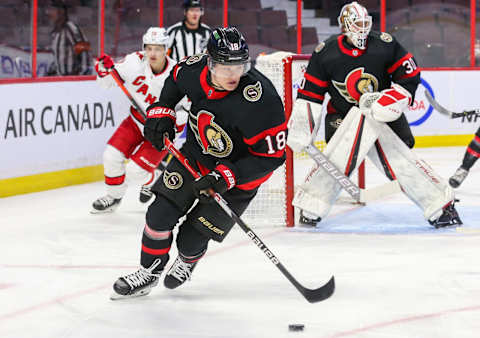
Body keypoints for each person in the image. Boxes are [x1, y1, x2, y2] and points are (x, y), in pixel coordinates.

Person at [110, 27, 287, 299]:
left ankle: (188, 260)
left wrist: (227, 176)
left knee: (191, 239)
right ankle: (148, 272)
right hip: (194, 157)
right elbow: (174, 82)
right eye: (225, 67)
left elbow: (273, 157)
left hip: (236, 180)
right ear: (210, 62)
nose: (233, 74)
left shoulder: (262, 100)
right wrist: (163, 111)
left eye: (240, 66)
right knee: (159, 215)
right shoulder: (193, 70)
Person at [286, 1, 462, 228]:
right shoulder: (325, 53)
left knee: (400, 156)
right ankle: (440, 206)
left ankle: (311, 203)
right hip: (342, 118)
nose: (362, 28)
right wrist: (302, 126)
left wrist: (394, 98)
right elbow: (310, 94)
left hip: (383, 114)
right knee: (341, 159)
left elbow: (408, 74)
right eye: (357, 23)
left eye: (365, 23)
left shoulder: (384, 44)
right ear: (345, 26)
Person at [91, 27, 187, 213]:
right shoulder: (133, 62)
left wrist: (167, 128)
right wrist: (103, 71)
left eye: (158, 49)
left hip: (161, 132)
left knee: (135, 172)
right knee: (111, 156)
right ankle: (114, 197)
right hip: (136, 122)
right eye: (149, 48)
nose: (152, 53)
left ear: (166, 49)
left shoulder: (177, 74)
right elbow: (106, 82)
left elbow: (186, 109)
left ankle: (153, 179)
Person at [46, 0, 91, 76]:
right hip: (63, 81)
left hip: (74, 81)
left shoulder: (71, 29)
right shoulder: (55, 33)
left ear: (61, 12)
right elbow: (59, 59)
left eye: (52, 10)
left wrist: (82, 75)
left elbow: (85, 51)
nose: (49, 13)